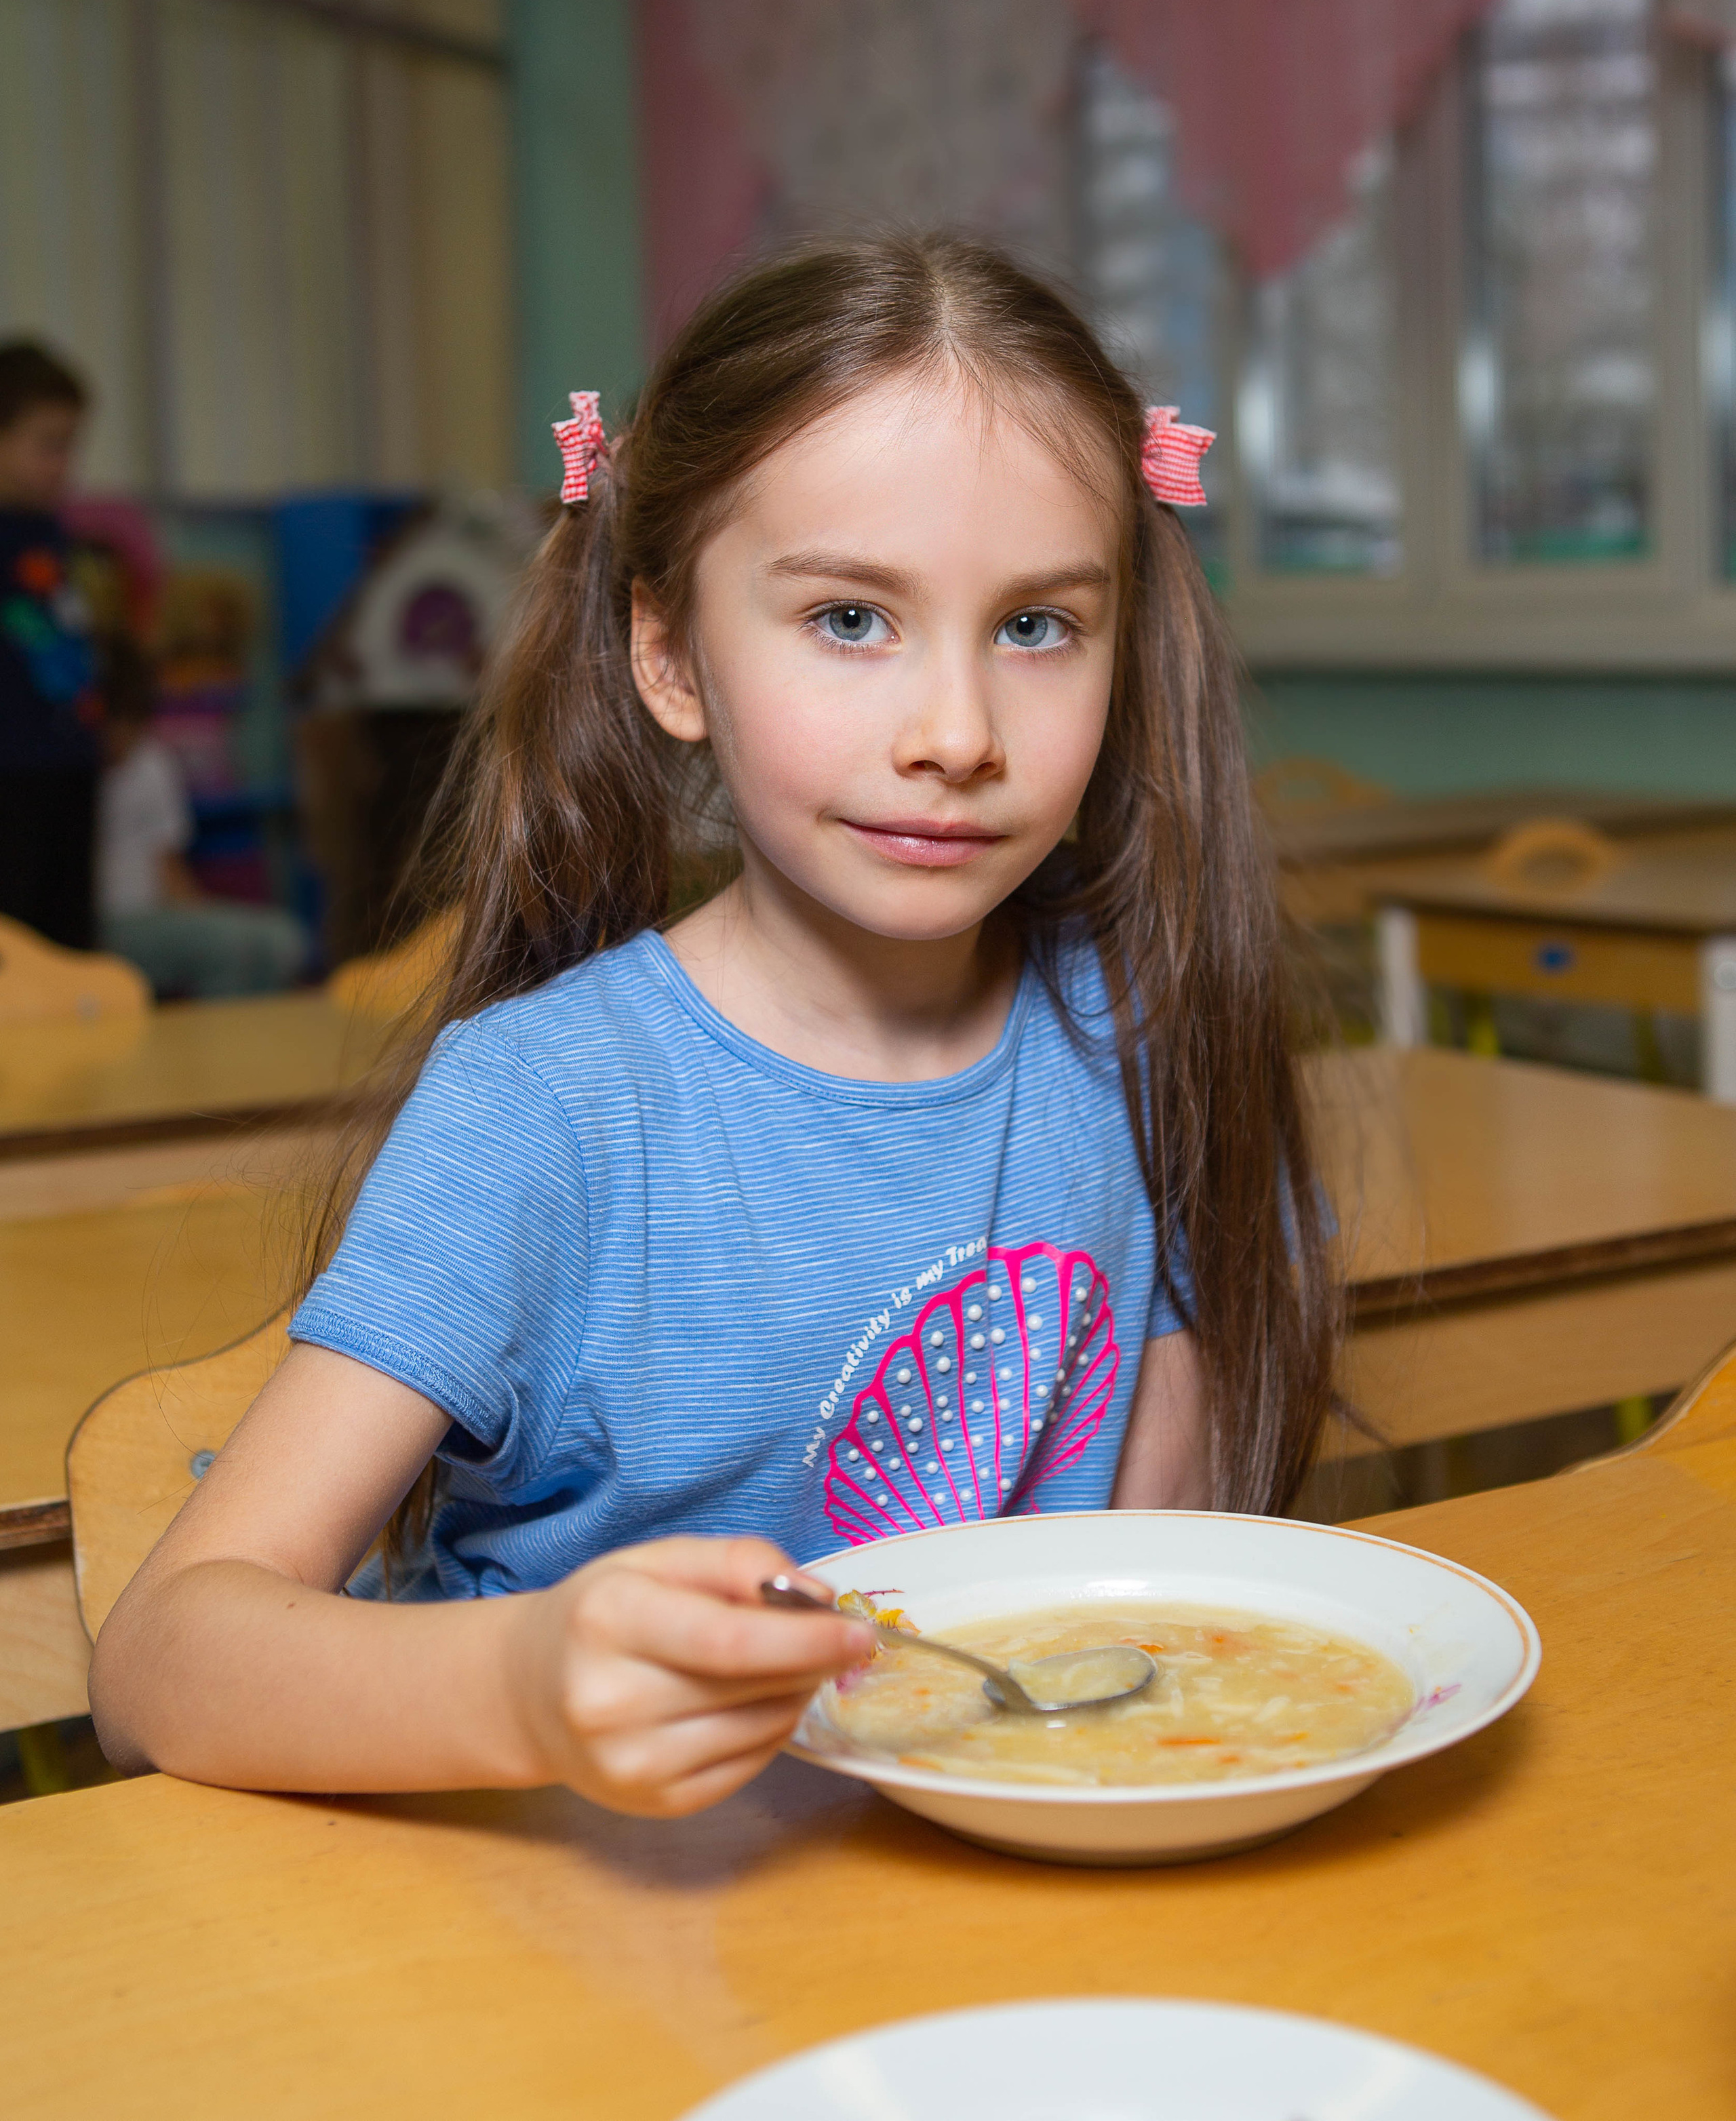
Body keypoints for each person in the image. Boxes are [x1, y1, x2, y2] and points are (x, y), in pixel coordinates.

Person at [90, 235, 1337, 1821]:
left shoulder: (1135, 1024)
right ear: (668, 654)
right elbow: (154, 1670)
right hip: (555, 1915)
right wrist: (526, 1686)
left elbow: (1144, 1565)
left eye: (1034, 628)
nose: (953, 734)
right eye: (845, 618)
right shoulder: (544, 1104)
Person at [96, 637, 308, 999]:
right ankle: (218, 1052)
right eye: (116, 720)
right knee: (226, 948)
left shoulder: (151, 762)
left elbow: (170, 869)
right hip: (106, 922)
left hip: (154, 916)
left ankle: (258, 1048)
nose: (124, 737)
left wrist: (204, 916)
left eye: (135, 722)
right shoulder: (63, 778)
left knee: (284, 939)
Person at [0, 340, 101, 947]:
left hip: (69, 763)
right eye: (49, 446)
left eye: (72, 447)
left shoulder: (52, 532)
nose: (65, 465)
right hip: (9, 773)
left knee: (70, 940)